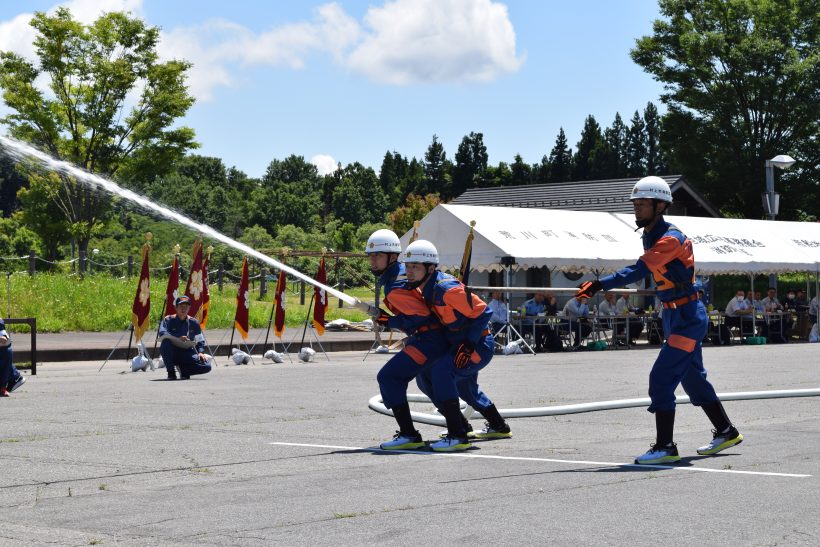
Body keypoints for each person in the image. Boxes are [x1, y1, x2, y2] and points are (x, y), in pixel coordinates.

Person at [575, 176, 742, 465]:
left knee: (661, 379)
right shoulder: (650, 233)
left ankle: (665, 446)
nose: (636, 209)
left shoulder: (670, 238)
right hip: (672, 313)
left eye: (642, 204)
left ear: (660, 205)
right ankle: (726, 431)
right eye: (635, 204)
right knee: (693, 380)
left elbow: (639, 269)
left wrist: (599, 284)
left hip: (688, 316)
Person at [404, 240, 511, 452]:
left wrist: (469, 345)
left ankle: (457, 435)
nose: (409, 271)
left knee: (442, 372)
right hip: (457, 344)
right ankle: (497, 426)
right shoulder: (421, 288)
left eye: (415, 267)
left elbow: (484, 312)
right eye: (408, 266)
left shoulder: (446, 289)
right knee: (438, 380)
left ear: (431, 268)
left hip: (479, 344)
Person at [364, 229, 451, 451]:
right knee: (427, 383)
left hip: (428, 339)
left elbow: (418, 319)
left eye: (378, 256)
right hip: (434, 337)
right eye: (371, 256)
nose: (372, 261)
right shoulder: (401, 275)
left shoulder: (396, 285)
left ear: (393, 257)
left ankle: (409, 434)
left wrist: (388, 320)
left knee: (389, 377)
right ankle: (459, 426)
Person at [158, 295, 211, 380]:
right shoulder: (168, 319)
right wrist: (178, 337)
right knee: (165, 343)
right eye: (181, 306)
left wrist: (200, 352)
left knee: (207, 366)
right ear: (176, 307)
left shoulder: (194, 322)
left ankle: (183, 370)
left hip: (187, 352)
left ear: (189, 308)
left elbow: (200, 340)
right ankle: (171, 372)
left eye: (186, 306)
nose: (184, 309)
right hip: (172, 352)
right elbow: (162, 332)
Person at [0, 318, 26, 397]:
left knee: (5, 355)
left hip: (3, 351)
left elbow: (4, 339)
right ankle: (15, 377)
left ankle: (2, 388)